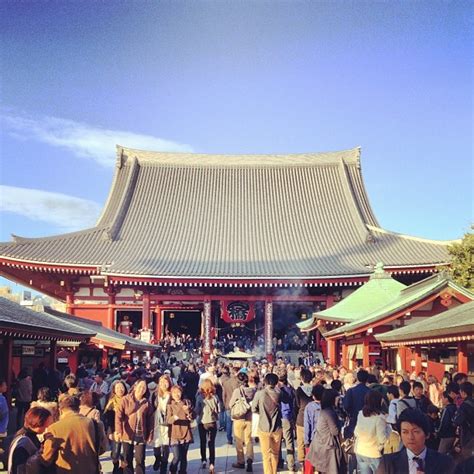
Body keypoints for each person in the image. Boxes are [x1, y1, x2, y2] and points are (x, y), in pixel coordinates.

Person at [41, 394, 106, 474]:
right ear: (78, 409)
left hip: (65, 470)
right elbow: (102, 448)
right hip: (91, 470)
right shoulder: (95, 424)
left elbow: (46, 458)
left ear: (60, 410)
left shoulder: (54, 428)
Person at [376, 408, 454, 473]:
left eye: (416, 432)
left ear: (427, 434)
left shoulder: (444, 462)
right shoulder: (388, 463)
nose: (410, 437)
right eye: (405, 432)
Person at [116, 380, 154, 474]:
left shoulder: (147, 403)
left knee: (140, 460)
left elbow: (150, 420)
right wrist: (118, 430)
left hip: (141, 434)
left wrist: (150, 435)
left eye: (144, 387)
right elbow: (118, 416)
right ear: (135, 386)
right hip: (127, 433)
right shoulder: (125, 399)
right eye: (140, 386)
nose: (142, 389)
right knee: (127, 459)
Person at [307, 389, 346, 474]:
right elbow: (335, 431)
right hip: (328, 446)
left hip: (320, 443)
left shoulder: (324, 410)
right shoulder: (329, 412)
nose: (339, 400)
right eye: (337, 398)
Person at [252, 373, 282, 474]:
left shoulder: (259, 394)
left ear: (265, 381)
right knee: (275, 454)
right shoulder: (279, 393)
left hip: (263, 427)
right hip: (277, 427)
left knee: (266, 455)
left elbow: (253, 408)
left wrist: (261, 413)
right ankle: (273, 471)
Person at [354, 390, 391, 474]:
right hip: (374, 453)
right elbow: (382, 439)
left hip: (360, 450)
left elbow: (356, 432)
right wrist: (389, 428)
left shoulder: (360, 414)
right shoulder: (380, 418)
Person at [8, 406, 53, 474]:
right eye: (47, 425)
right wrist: (40, 452)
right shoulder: (23, 441)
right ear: (38, 423)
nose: (48, 427)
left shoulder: (27, 435)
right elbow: (19, 468)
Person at [229, 372, 256, 472]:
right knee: (249, 440)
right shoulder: (253, 390)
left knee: (239, 440)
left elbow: (230, 403)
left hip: (239, 418)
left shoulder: (237, 391)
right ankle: (249, 458)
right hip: (249, 417)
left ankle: (240, 461)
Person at [166, 385, 194, 474]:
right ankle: (172, 469)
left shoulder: (186, 402)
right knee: (177, 456)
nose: (177, 394)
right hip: (175, 433)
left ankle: (182, 471)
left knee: (184, 456)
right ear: (171, 394)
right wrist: (174, 417)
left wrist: (188, 411)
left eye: (178, 392)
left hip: (185, 432)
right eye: (174, 393)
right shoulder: (170, 405)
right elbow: (168, 420)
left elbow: (193, 416)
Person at [195, 379, 220, 473]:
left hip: (202, 422)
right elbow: (219, 410)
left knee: (203, 442)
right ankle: (212, 463)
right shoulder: (215, 397)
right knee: (211, 443)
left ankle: (204, 460)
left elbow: (197, 410)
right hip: (212, 422)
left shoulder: (200, 397)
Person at [104, 380, 128, 474]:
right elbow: (107, 419)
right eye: (117, 388)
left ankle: (122, 468)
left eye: (121, 387)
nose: (120, 390)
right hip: (115, 430)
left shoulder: (129, 400)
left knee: (125, 453)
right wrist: (109, 432)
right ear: (114, 390)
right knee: (115, 452)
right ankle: (115, 463)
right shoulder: (111, 402)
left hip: (127, 430)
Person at [151, 375, 172, 474]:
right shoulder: (155, 394)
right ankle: (157, 458)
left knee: (166, 446)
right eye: (162, 382)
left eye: (166, 382)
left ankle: (164, 466)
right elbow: (151, 407)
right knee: (156, 445)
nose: (164, 384)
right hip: (156, 422)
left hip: (167, 423)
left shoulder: (172, 394)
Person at [278, 368, 297, 473]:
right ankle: (291, 466)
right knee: (289, 443)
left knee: (278, 443)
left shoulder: (277, 391)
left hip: (279, 418)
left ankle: (279, 463)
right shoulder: (291, 390)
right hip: (288, 417)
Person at [343, 369, 371, 439]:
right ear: (367, 379)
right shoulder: (371, 392)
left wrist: (350, 413)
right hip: (368, 419)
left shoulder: (351, 391)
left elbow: (346, 406)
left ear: (357, 378)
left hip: (354, 418)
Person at [295, 368, 314, 466]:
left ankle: (302, 462)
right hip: (313, 418)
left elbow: (297, 404)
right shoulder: (315, 389)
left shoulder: (298, 390)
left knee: (301, 442)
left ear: (302, 378)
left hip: (301, 417)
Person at [453, 381, 474, 463]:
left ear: (464, 393)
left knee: (467, 457)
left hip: (468, 435)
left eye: (460, 391)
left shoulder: (464, 405)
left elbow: (457, 421)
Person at [222, 366, 240, 445]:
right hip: (237, 405)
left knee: (229, 423)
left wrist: (224, 403)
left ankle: (229, 439)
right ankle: (238, 438)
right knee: (237, 422)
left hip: (228, 404)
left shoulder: (226, 382)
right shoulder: (238, 382)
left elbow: (224, 394)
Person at [437, 391, 457, 455]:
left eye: (442, 398)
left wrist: (438, 432)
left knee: (441, 455)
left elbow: (443, 423)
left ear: (446, 399)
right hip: (453, 434)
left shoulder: (446, 409)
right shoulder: (455, 407)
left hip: (446, 435)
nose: (441, 400)